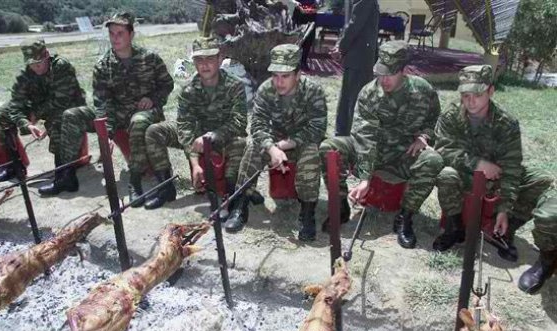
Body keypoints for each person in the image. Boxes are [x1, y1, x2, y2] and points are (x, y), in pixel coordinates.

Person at [434, 64, 556, 294]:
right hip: (465, 176)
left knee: (539, 180)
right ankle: (454, 227)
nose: (470, 102)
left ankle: (505, 229)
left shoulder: (506, 123)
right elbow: (441, 148)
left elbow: (511, 167)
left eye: (477, 95)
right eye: (465, 95)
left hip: (497, 178)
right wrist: (477, 163)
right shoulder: (451, 115)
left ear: (490, 91)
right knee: (445, 175)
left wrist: (504, 208)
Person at [319, 41, 443, 248]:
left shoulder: (423, 90)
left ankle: (405, 216)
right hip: (368, 150)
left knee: (433, 160)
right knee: (329, 148)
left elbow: (433, 119)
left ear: (404, 70)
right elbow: (364, 138)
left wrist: (424, 137)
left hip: (403, 153)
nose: (383, 80)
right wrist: (366, 177)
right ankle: (340, 207)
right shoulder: (369, 93)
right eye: (380, 73)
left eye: (390, 74)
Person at [54, 12, 174, 202]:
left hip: (144, 112)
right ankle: (66, 174)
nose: (115, 38)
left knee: (138, 119)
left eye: (120, 33)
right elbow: (102, 102)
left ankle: (135, 182)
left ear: (131, 35)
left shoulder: (150, 58)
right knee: (72, 115)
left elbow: (167, 84)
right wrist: (106, 131)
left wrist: (153, 98)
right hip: (115, 115)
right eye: (111, 33)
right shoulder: (103, 65)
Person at [225, 44, 327, 242]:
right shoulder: (265, 90)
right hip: (274, 142)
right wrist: (271, 148)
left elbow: (317, 128)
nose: (279, 82)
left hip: (301, 143)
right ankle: (240, 206)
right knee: (254, 146)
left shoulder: (313, 91)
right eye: (275, 75)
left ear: (297, 75)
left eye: (285, 76)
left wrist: (284, 146)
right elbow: (257, 125)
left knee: (311, 153)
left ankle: (307, 214)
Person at [141, 37, 248, 209]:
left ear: (220, 59)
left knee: (241, 143)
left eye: (210, 58)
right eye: (199, 59)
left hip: (224, 136)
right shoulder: (189, 89)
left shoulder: (234, 86)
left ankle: (231, 196)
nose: (204, 64)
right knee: (154, 131)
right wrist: (195, 164)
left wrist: (212, 136)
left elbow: (239, 122)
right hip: (196, 137)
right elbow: (184, 127)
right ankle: (166, 188)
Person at [0, 37, 86, 194]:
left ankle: (65, 176)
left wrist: (36, 114)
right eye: (31, 64)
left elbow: (62, 100)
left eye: (39, 62)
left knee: (57, 121)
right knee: (1, 115)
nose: (35, 67)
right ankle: (14, 165)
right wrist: (25, 123)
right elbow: (16, 103)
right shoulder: (26, 74)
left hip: (68, 105)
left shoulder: (61, 66)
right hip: (40, 105)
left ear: (47, 55)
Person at [331, 0, 379, 136]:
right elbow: (353, 24)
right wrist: (341, 46)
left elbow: (354, 24)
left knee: (353, 97)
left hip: (360, 56)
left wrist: (340, 47)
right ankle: (345, 134)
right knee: (352, 97)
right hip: (359, 57)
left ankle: (346, 133)